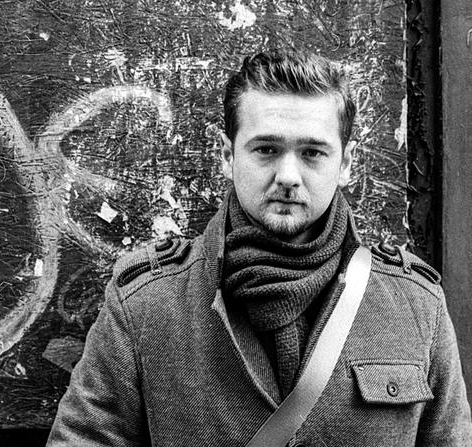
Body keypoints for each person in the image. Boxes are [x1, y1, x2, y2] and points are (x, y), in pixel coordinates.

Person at [46, 49, 472, 446]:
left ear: (345, 164)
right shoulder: (146, 305)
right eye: (266, 149)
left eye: (312, 153)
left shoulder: (415, 307)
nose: (288, 174)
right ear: (227, 155)